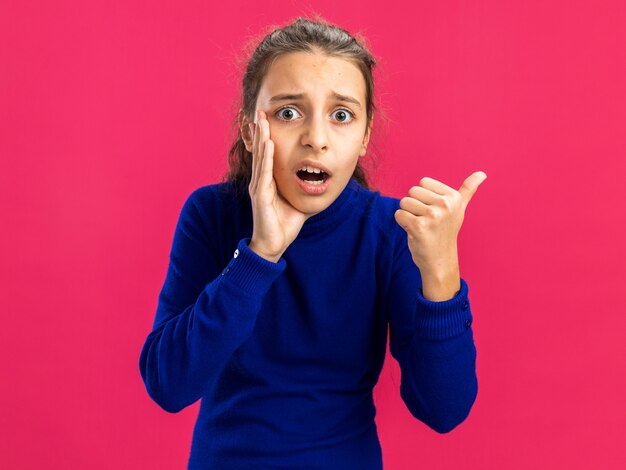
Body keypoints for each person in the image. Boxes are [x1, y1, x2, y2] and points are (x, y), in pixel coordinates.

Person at [139, 15, 485, 469]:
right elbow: (169, 384)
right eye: (288, 112)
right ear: (249, 129)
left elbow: (444, 410)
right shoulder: (212, 215)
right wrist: (259, 255)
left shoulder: (390, 231)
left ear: (364, 135)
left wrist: (440, 272)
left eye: (341, 115)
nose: (316, 139)